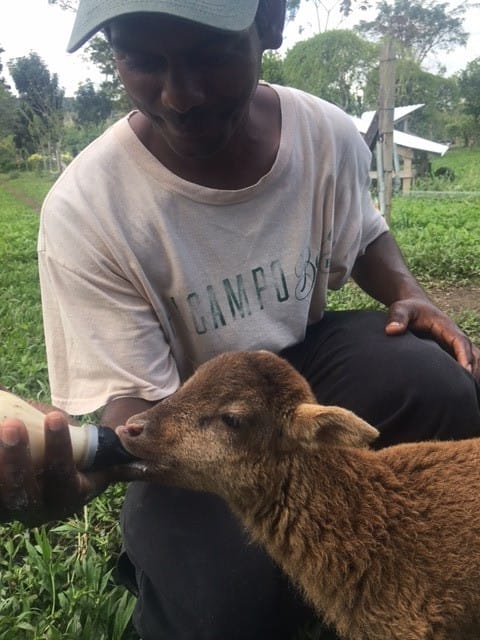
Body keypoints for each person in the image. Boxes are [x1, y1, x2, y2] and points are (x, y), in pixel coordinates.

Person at [1, 1, 480, 638]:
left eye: (209, 55)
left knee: (440, 381)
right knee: (218, 612)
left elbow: (362, 235)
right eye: (143, 60)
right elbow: (135, 404)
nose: (179, 96)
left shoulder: (323, 133)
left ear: (270, 26)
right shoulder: (87, 209)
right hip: (185, 406)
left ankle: (420, 558)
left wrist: (408, 288)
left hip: (298, 374)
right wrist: (105, 458)